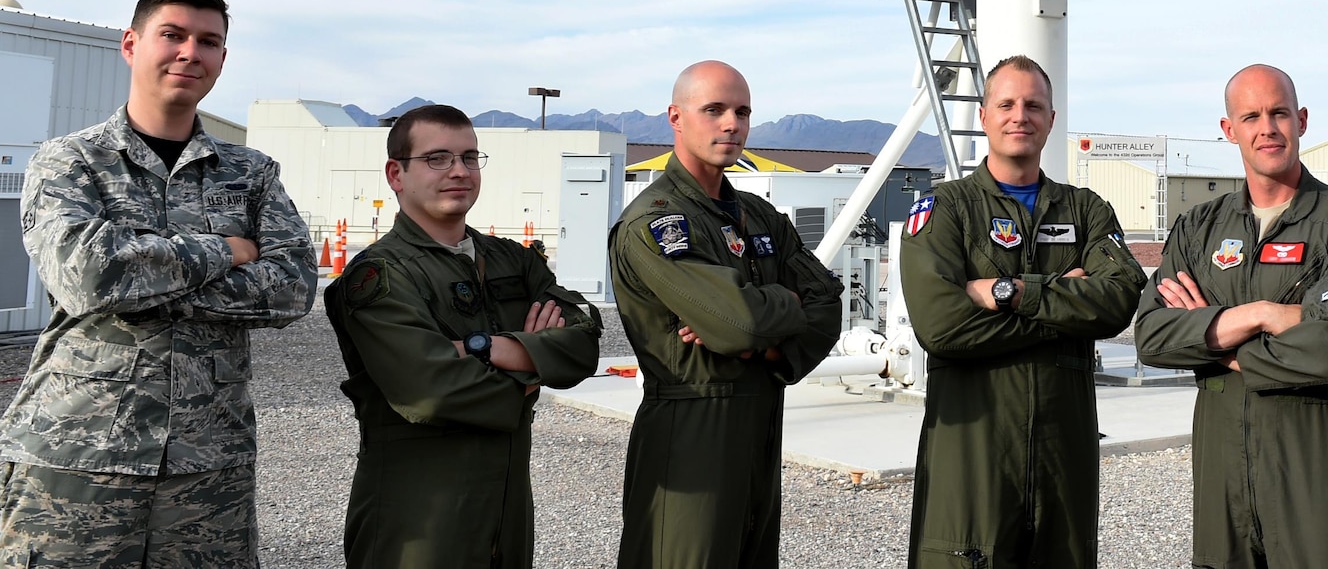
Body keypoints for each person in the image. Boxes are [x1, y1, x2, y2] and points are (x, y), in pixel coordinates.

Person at [0, 0, 316, 566]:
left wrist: (142, 275)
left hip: (208, 464)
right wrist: (228, 250)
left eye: (209, 41)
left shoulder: (250, 172)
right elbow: (87, 277)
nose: (189, 52)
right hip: (77, 455)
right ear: (131, 44)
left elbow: (294, 287)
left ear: (223, 57)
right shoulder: (71, 161)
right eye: (172, 35)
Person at [1134, 64, 1328, 569]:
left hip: (1316, 465)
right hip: (1222, 473)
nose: (1267, 128)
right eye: (1250, 116)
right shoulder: (1199, 229)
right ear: (1229, 129)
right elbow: (1151, 336)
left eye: (1279, 113)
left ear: (1301, 120)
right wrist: (1260, 315)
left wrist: (1213, 335)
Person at [325, 103, 602, 568]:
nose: (459, 171)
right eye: (437, 158)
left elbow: (583, 338)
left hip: (506, 513)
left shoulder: (513, 259)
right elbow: (431, 389)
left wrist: (486, 346)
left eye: (469, 157)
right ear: (397, 174)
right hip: (418, 520)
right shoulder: (379, 276)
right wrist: (533, 371)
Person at [900, 54, 1145, 569]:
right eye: (1006, 104)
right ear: (984, 115)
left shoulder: (1086, 209)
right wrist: (1064, 304)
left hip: (1063, 455)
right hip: (972, 452)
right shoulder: (945, 209)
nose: (1020, 116)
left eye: (1034, 105)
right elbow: (941, 326)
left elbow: (1120, 298)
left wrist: (1011, 292)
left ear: (1051, 120)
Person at [611, 61, 843, 569]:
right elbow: (741, 318)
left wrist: (770, 341)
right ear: (676, 116)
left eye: (741, 112)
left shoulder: (758, 215)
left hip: (761, 423)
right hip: (691, 430)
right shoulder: (656, 222)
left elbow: (828, 303)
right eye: (713, 110)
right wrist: (779, 308)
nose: (730, 124)